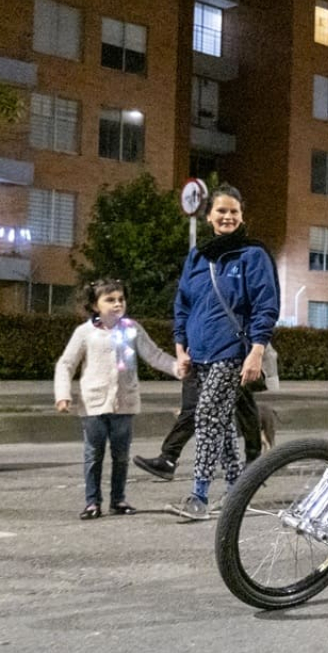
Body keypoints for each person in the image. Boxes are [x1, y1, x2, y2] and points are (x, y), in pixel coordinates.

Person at [165, 185, 280, 521]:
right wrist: (180, 348)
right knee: (219, 422)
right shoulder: (198, 256)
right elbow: (183, 304)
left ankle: (198, 497)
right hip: (198, 354)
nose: (228, 217)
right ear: (210, 216)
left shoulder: (253, 255)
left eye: (234, 211)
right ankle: (236, 490)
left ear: (242, 216)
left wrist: (256, 351)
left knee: (206, 417)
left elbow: (265, 306)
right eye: (221, 211)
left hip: (232, 351)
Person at [54, 279, 182, 519]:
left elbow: (154, 355)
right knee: (93, 454)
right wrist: (63, 394)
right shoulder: (85, 333)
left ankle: (118, 500)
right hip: (93, 404)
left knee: (121, 456)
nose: (117, 304)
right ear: (94, 305)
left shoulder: (131, 329)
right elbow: (66, 364)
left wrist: (178, 369)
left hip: (124, 403)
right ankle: (92, 502)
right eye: (110, 300)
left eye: (121, 299)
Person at [131, 372, 262, 482]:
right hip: (198, 354)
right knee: (193, 407)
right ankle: (168, 458)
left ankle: (253, 460)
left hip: (227, 354)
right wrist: (182, 349)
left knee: (243, 401)